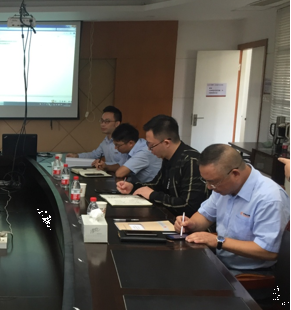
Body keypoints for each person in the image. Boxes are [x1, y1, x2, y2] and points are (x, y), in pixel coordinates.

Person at [175, 144, 289, 274]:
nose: (209, 187)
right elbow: (205, 215)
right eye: (206, 181)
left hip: (252, 273)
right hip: (220, 262)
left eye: (212, 182)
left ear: (235, 174)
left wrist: (218, 241)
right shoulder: (223, 187)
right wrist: (190, 224)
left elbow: (269, 251)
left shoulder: (270, 198)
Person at [116, 115, 207, 216]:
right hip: (168, 214)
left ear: (166, 143)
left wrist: (153, 195)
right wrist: (133, 187)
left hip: (185, 221)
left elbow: (188, 205)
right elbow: (157, 184)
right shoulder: (168, 158)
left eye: (151, 145)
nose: (149, 149)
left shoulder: (191, 161)